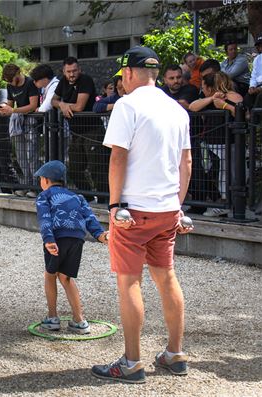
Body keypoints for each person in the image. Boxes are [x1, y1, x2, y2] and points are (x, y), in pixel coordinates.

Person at [92, 46, 193, 384]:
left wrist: (114, 206)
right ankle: (174, 354)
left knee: (129, 281)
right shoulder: (177, 109)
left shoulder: (127, 105)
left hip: (133, 210)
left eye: (123, 74)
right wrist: (177, 205)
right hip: (167, 210)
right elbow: (186, 163)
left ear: (129, 73)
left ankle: (132, 361)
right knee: (166, 277)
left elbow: (117, 158)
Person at [35, 160, 108, 335]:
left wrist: (48, 239)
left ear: (45, 180)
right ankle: (79, 320)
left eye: (40, 179)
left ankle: (52, 317)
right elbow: (89, 218)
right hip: (77, 239)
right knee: (66, 278)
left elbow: (45, 219)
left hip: (57, 238)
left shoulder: (44, 196)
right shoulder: (78, 197)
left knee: (50, 275)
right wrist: (100, 235)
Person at [189, 72, 243, 217]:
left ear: (210, 86)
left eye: (203, 87)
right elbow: (193, 107)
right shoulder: (211, 99)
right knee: (213, 173)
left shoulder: (231, 96)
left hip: (228, 143)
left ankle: (227, 204)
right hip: (211, 145)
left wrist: (224, 105)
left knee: (227, 174)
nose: (202, 90)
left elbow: (243, 112)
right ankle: (220, 202)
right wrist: (212, 99)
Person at [52, 57, 106, 198]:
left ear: (79, 70)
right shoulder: (63, 82)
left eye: (74, 71)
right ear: (63, 72)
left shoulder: (85, 80)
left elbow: (79, 106)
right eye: (68, 71)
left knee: (97, 167)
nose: (72, 74)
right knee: (74, 168)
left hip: (93, 130)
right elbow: (53, 100)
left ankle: (103, 197)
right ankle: (87, 195)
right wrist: (62, 105)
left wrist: (64, 105)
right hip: (76, 132)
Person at [0, 63, 41, 198]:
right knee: (21, 155)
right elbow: (10, 104)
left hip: (31, 121)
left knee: (31, 155)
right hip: (17, 123)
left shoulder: (30, 83)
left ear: (18, 73)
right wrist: (3, 108)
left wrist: (13, 110)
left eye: (12, 79)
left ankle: (36, 187)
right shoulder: (10, 85)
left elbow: (33, 105)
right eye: (8, 81)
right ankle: (26, 185)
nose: (11, 83)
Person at [245, 36, 262, 110]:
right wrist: (252, 86)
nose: (261, 48)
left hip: (261, 88)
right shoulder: (257, 59)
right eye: (259, 46)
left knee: (260, 96)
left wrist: (260, 88)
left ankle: (255, 119)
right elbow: (254, 75)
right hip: (258, 86)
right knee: (248, 96)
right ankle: (247, 115)